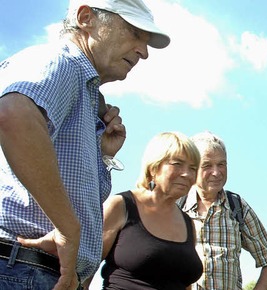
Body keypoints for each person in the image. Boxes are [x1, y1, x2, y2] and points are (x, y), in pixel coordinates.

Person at [0, 0, 170, 289]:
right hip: (21, 267)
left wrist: (102, 156)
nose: (144, 52)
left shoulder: (84, 90)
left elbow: (78, 195)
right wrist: (68, 228)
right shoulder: (61, 61)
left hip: (36, 270)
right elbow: (13, 115)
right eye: (134, 33)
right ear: (85, 17)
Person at [97, 132, 203, 289]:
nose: (187, 174)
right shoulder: (121, 206)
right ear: (154, 167)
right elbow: (84, 266)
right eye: (177, 164)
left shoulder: (188, 223)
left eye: (193, 168)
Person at [179, 131, 267, 290]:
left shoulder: (237, 207)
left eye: (221, 164)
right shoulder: (177, 205)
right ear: (193, 168)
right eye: (207, 165)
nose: (216, 172)